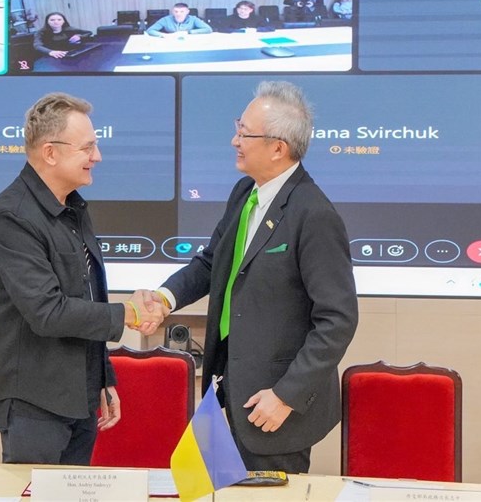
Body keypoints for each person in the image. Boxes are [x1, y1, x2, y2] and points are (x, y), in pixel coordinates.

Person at [152, 81, 358, 473]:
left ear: (278, 147)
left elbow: (337, 320)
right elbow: (212, 264)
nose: (234, 140)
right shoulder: (245, 192)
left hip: (275, 406)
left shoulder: (314, 215)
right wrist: (164, 298)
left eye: (244, 133)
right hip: (231, 392)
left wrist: (286, 395)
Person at [0, 92, 168, 465]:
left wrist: (101, 376)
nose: (96, 157)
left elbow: (87, 297)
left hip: (79, 399)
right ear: (50, 153)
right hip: (34, 405)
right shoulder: (12, 217)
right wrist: (127, 313)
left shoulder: (73, 208)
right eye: (88, 148)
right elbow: (47, 311)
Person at [146, 3, 212, 37]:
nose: (178, 14)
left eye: (182, 11)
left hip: (189, 43)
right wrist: (164, 35)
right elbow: (150, 30)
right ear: (173, 11)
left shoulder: (193, 19)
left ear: (187, 12)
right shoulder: (165, 20)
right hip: (169, 43)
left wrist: (188, 32)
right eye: (176, 11)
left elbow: (208, 29)